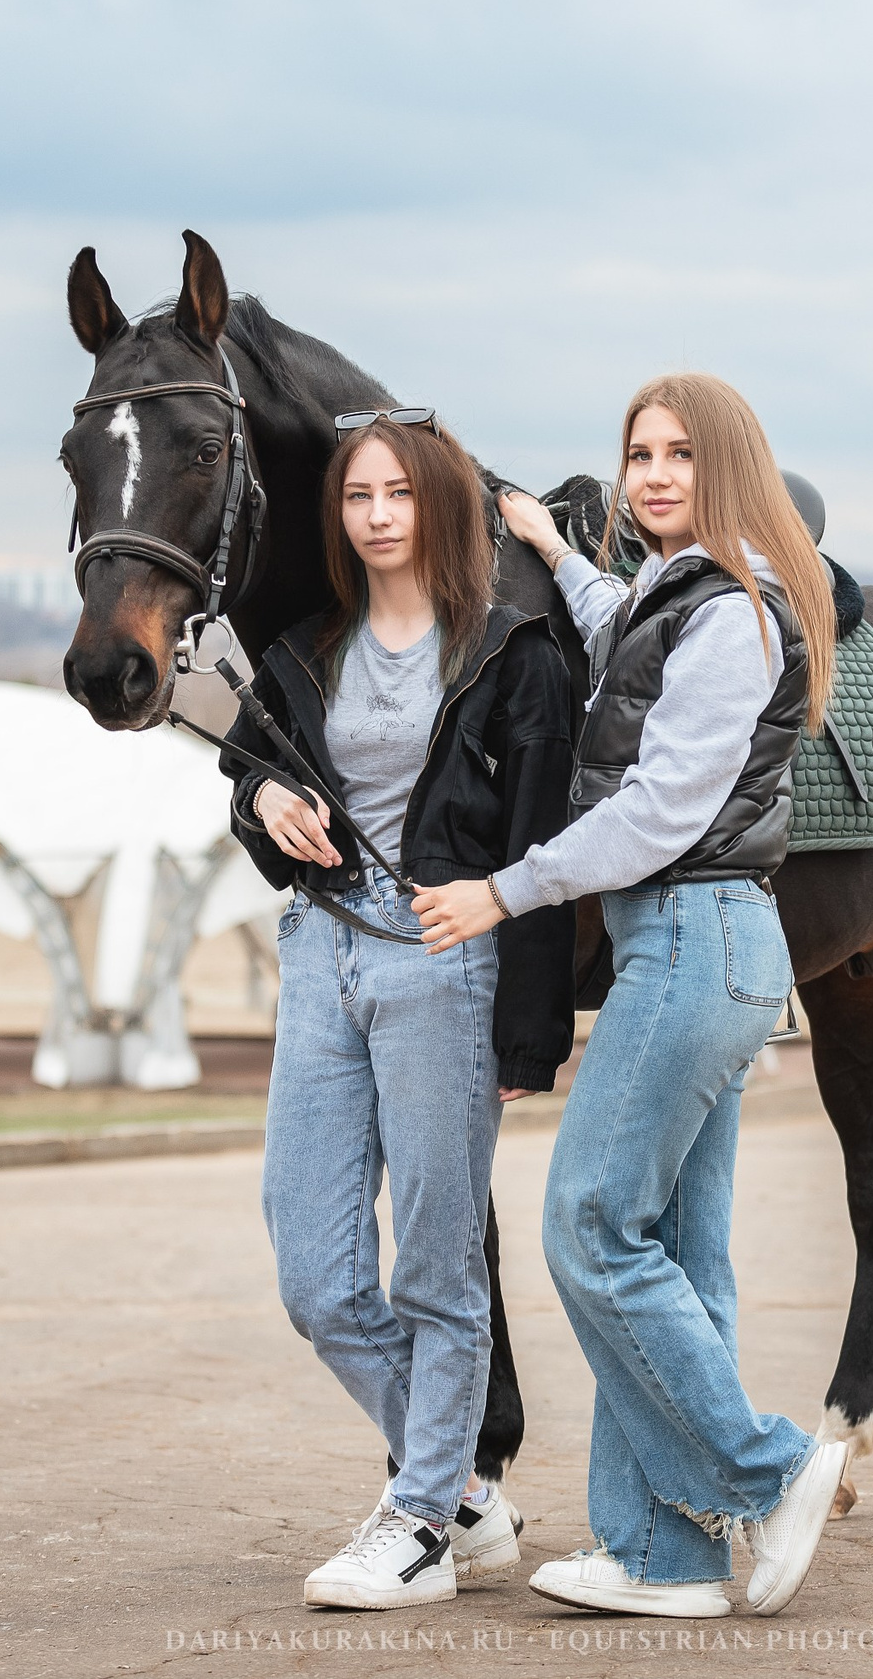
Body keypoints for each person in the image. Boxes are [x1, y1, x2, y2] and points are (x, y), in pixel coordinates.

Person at [412, 373, 850, 1619]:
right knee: (672, 1252)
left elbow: (661, 809)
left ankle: (766, 1467)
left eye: (682, 455)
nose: (656, 474)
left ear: (731, 467)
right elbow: (621, 634)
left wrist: (508, 889)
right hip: (700, 946)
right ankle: (660, 1556)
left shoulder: (734, 613)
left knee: (589, 1225)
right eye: (640, 454)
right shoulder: (680, 591)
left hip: (689, 939)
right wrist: (554, 547)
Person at [222, 410, 576, 1610]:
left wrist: (533, 1023)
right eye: (357, 496)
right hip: (321, 954)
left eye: (398, 493)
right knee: (315, 1274)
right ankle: (470, 1492)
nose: (375, 514)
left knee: (435, 1268)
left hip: (443, 962)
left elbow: (537, 842)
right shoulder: (306, 647)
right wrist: (267, 796)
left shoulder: (512, 651)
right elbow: (251, 767)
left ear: (441, 507)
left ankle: (423, 1515)